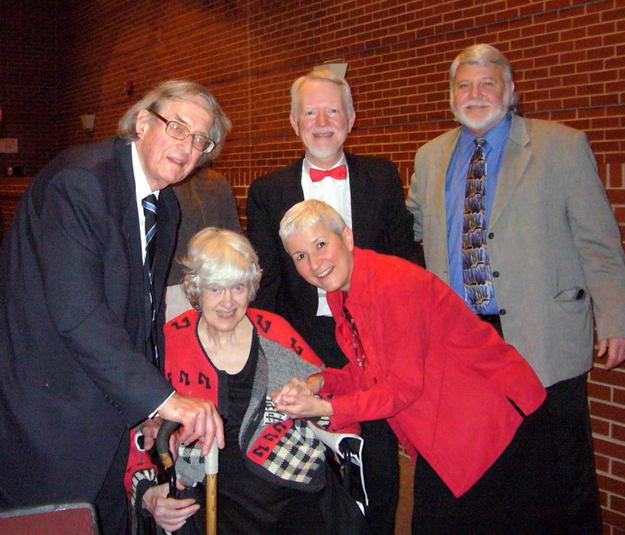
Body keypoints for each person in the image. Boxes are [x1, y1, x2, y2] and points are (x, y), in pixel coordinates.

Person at [406, 43, 625, 533]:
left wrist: (617, 317)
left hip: (542, 338)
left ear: (510, 91)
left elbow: (598, 240)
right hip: (459, 343)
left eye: (488, 83)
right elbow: (412, 234)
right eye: (464, 85)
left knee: (553, 481)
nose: (476, 94)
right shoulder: (429, 158)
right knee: (470, 474)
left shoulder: (562, 146)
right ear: (450, 95)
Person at [0, 80, 230, 534]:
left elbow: (142, 318)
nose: (189, 148)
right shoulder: (80, 183)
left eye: (202, 140)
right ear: (142, 123)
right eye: (179, 128)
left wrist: (149, 409)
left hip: (104, 416)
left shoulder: (165, 206)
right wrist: (166, 400)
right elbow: (78, 315)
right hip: (48, 417)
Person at [274, 199, 558, 534]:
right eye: (301, 256)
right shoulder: (344, 292)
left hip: (494, 423)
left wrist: (327, 407)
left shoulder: (393, 285)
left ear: (347, 238)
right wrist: (318, 383)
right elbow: (371, 370)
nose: (315, 263)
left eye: (321, 244)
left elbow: (401, 388)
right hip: (451, 428)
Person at [246, 68, 422, 535]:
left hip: (373, 336)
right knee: (309, 460)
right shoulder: (268, 190)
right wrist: (274, 354)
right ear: (293, 121)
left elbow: (405, 259)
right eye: (310, 112)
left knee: (379, 458)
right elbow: (265, 282)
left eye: (332, 111)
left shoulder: (382, 178)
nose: (321, 121)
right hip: (302, 339)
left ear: (351, 118)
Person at [125, 228, 369, 535]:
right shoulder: (169, 342)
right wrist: (147, 493)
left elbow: (328, 391)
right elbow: (132, 428)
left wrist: (316, 405)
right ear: (196, 290)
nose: (228, 302)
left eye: (238, 287)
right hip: (207, 486)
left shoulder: (274, 331)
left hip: (286, 478)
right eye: (215, 289)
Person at [165, 167, 241, 321]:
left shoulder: (216, 184)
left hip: (203, 285)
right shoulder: (217, 182)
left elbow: (235, 242)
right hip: (203, 285)